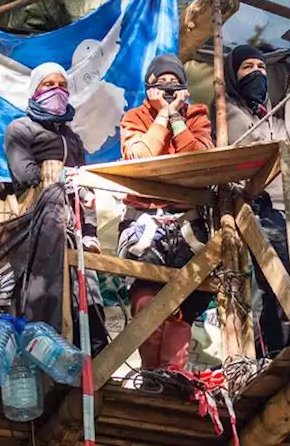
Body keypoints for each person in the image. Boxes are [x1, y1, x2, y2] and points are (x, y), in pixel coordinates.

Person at [117, 54, 215, 373]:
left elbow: (200, 159)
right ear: (149, 88)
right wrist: (161, 117)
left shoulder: (197, 115)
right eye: (161, 83)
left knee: (188, 301)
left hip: (187, 221)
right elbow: (139, 155)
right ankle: (151, 375)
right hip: (144, 220)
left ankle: (173, 375)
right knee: (147, 302)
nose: (169, 88)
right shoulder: (133, 118)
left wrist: (177, 120)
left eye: (175, 83)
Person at [3, 62, 108, 355]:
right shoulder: (20, 129)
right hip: (37, 227)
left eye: (62, 85)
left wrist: (90, 233)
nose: (57, 91)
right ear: (35, 91)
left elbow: (88, 188)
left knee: (87, 298)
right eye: (49, 85)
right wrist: (63, 177)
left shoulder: (72, 138)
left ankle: (92, 365)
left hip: (74, 229)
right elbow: (25, 174)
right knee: (44, 297)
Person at [223, 45, 290, 356]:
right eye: (246, 67)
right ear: (232, 75)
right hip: (258, 207)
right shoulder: (228, 111)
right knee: (272, 283)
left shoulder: (273, 120)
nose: (256, 72)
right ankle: (272, 352)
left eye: (261, 67)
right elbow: (256, 144)